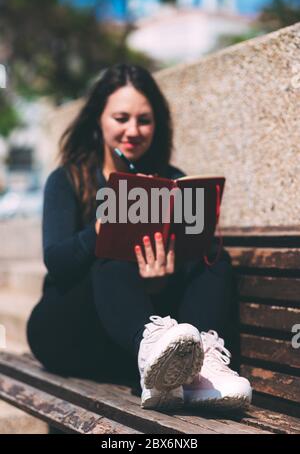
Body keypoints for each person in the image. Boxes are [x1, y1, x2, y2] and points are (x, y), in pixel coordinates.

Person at [27, 63, 252, 411]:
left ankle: (199, 368)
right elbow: (57, 265)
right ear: (99, 120)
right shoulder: (70, 179)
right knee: (112, 255)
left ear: (156, 125)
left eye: (144, 120)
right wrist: (102, 228)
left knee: (213, 257)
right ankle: (152, 349)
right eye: (121, 118)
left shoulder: (173, 181)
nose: (132, 130)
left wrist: (159, 283)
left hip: (131, 350)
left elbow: (192, 262)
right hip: (68, 330)